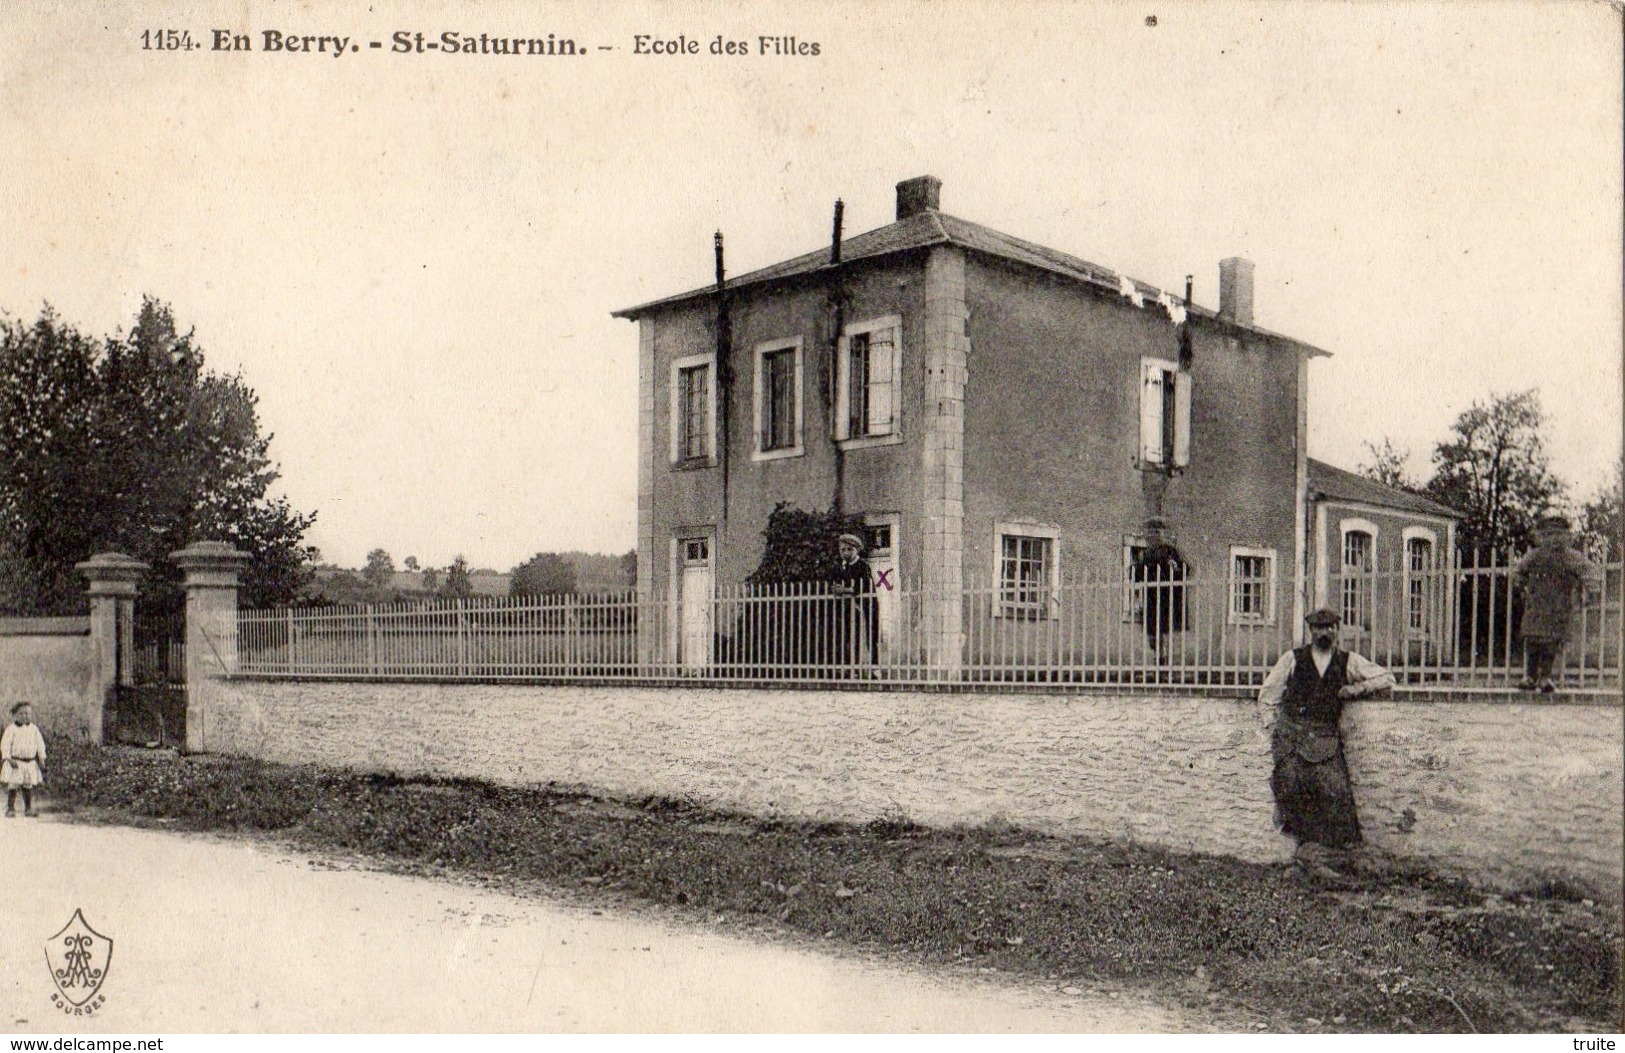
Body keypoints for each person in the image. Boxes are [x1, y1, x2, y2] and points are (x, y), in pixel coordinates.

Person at [1257, 609, 1394, 881]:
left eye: (1330, 627)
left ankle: (1330, 860)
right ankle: (1305, 859)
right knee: (1294, 793)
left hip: (1325, 739)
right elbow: (1268, 696)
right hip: (1293, 740)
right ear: (1311, 631)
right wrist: (1275, 730)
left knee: (1337, 794)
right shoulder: (1292, 659)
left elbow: (1386, 677)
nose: (1325, 632)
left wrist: (1356, 689)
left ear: (1336, 631)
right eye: (1319, 628)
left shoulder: (1348, 661)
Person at [1514, 515, 1602, 693]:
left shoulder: (1570, 556)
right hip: (1536, 606)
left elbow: (1588, 571)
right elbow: (1519, 571)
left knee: (1551, 643)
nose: (1554, 539)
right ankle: (1530, 676)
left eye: (1558, 535)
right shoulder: (1534, 556)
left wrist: (1592, 590)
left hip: (1558, 607)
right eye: (1549, 535)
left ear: (1565, 537)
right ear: (1542, 537)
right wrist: (1520, 586)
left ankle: (1545, 677)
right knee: (1532, 641)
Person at [1130, 518, 1186, 665]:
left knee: (1164, 634)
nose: (1152, 536)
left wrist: (1176, 567)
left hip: (1166, 598)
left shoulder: (1169, 551)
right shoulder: (1145, 554)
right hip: (1150, 599)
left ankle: (1163, 663)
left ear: (1160, 534)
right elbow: (1137, 576)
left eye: (1155, 532)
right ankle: (1159, 657)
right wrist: (1133, 571)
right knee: (1152, 636)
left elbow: (1183, 570)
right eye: (1149, 532)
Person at [830, 532, 876, 669]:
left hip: (865, 606)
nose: (846, 553)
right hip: (848, 607)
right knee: (848, 636)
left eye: (850, 549)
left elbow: (865, 586)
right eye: (843, 550)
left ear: (856, 550)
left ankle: (872, 668)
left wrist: (846, 589)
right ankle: (851, 668)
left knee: (868, 636)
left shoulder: (863, 566)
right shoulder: (840, 567)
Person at [2, 701, 47, 818]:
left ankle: (28, 808)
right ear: (15, 715)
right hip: (16, 762)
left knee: (27, 785)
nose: (24, 716)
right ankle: (10, 808)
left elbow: (40, 744)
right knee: (13, 785)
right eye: (21, 714)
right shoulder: (11, 729)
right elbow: (5, 744)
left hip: (29, 762)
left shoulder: (34, 729)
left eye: (27, 713)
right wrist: (8, 758)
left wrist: (41, 758)